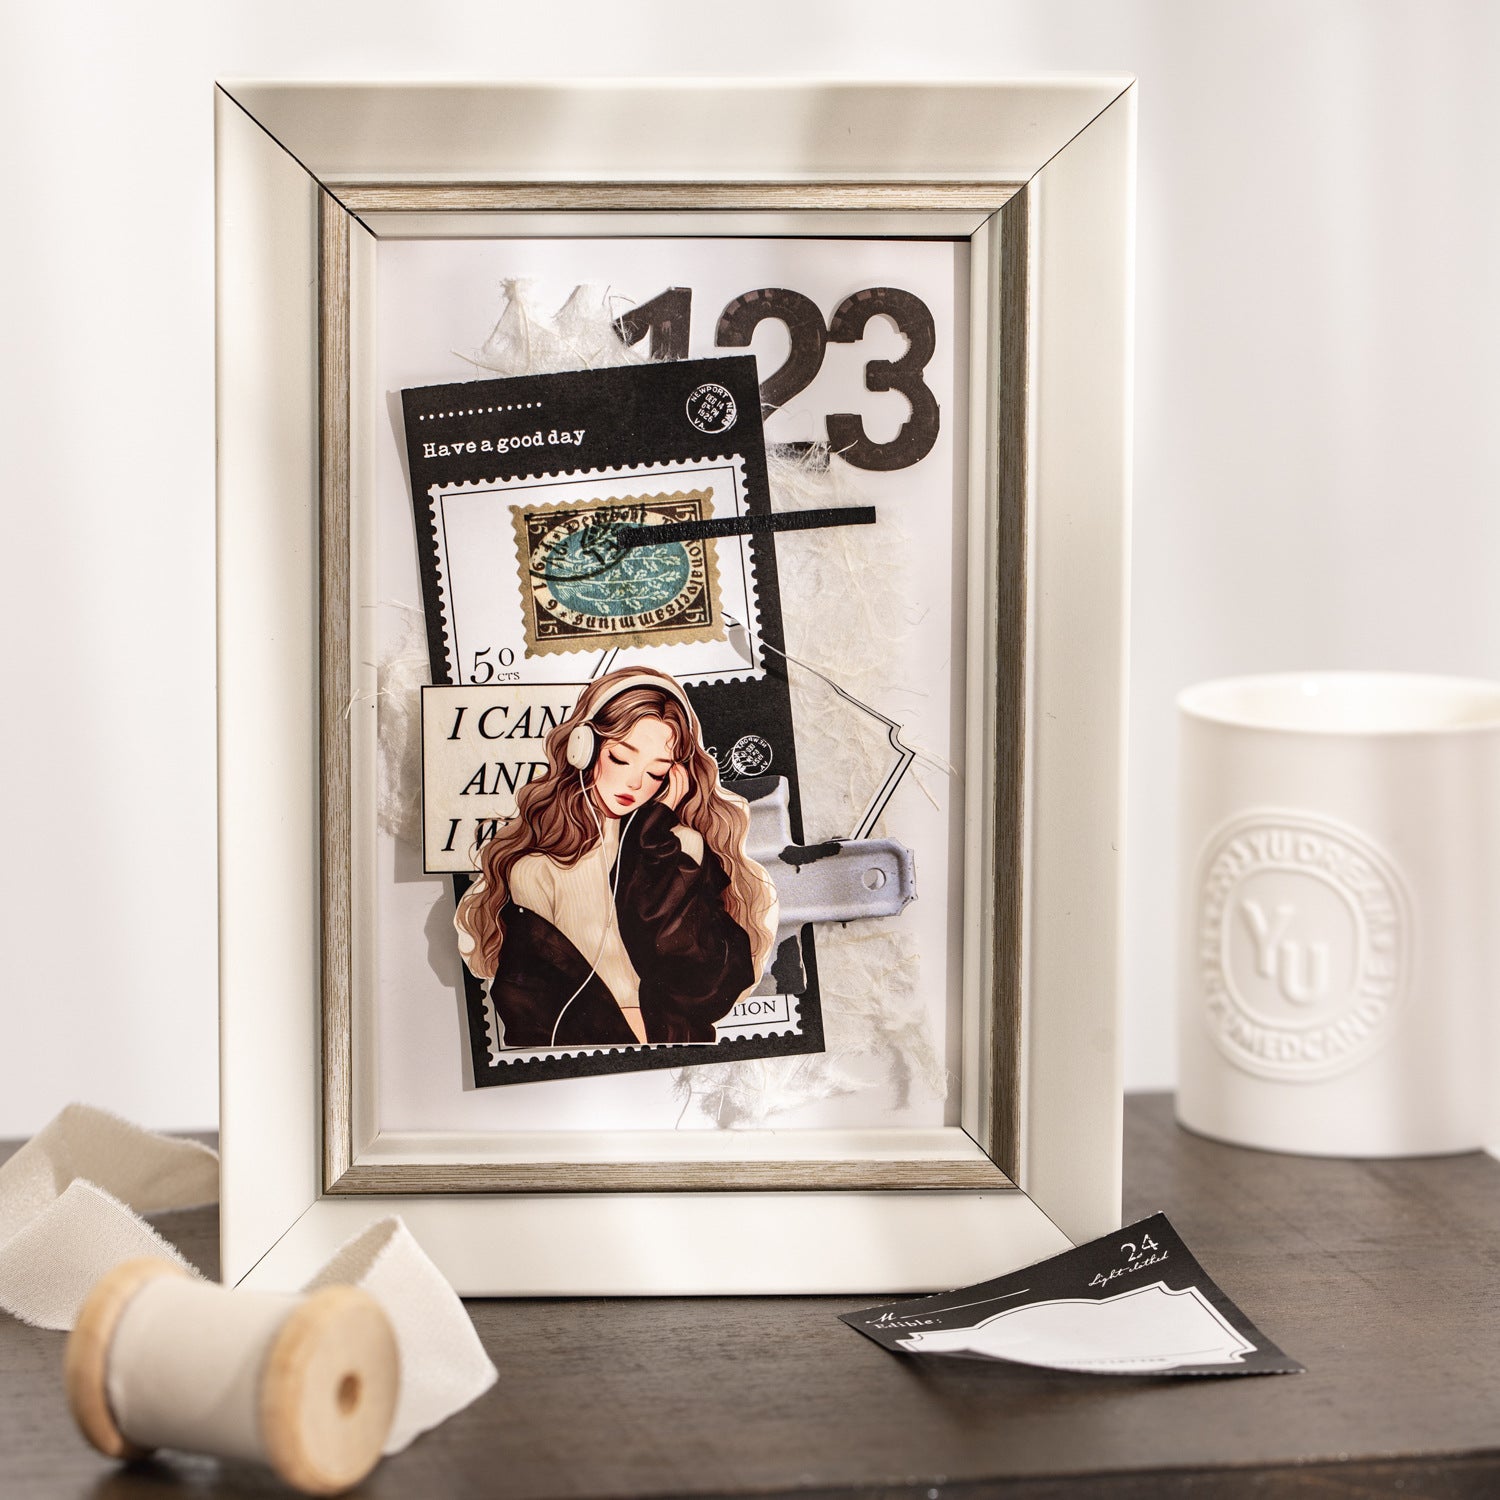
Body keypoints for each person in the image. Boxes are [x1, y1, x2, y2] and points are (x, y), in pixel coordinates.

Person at [453, 667, 778, 1048]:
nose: (635, 783)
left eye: (656, 773)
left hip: (682, 1048)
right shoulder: (535, 871)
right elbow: (529, 1008)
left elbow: (703, 980)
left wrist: (653, 840)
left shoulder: (679, 848)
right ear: (582, 748)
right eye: (621, 759)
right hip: (583, 1054)